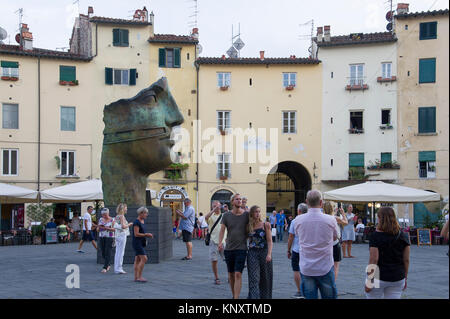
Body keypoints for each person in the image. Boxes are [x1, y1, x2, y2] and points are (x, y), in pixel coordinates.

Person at [294, 190, 338, 299]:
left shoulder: (298, 220)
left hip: (306, 266)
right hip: (325, 266)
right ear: (321, 202)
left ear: (307, 202)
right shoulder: (331, 219)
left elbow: (297, 234)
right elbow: (335, 237)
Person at [365, 207, 410, 299]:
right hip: (397, 276)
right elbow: (406, 260)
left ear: (380, 218)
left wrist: (370, 281)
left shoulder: (375, 236)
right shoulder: (404, 236)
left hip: (378, 276)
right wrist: (405, 277)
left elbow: (374, 259)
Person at [218, 193, 249, 299]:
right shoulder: (226, 215)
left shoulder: (246, 215)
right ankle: (234, 295)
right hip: (229, 249)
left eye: (240, 199)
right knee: (231, 275)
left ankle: (236, 297)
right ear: (232, 202)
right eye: (237, 199)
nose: (239, 201)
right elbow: (222, 230)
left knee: (237, 274)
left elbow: (253, 225)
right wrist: (220, 242)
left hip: (242, 248)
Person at [247, 205, 273, 299]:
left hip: (264, 252)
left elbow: (270, 241)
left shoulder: (265, 224)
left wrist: (269, 254)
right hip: (252, 253)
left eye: (259, 211)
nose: (258, 214)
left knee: (265, 277)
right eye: (255, 212)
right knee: (253, 277)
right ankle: (254, 297)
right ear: (252, 213)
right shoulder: (249, 225)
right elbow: (248, 239)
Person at [287, 203, 308, 299]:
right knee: (307, 270)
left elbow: (291, 236)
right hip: (308, 249)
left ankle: (299, 290)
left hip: (297, 249)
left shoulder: (295, 221)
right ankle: (308, 289)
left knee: (296, 270)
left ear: (299, 211)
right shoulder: (310, 220)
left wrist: (288, 249)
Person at [323, 202, 348, 280]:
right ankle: (332, 282)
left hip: (325, 244)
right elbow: (346, 222)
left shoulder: (322, 218)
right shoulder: (335, 218)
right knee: (336, 266)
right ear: (332, 209)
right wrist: (343, 213)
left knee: (325, 265)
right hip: (334, 243)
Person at [205, 200, 226, 285]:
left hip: (224, 241)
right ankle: (216, 278)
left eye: (217, 206)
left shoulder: (224, 216)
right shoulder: (211, 216)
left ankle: (230, 276)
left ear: (220, 206)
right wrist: (213, 210)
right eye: (214, 206)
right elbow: (206, 217)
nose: (216, 207)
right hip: (213, 241)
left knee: (228, 260)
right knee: (214, 260)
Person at [132, 207, 153, 283]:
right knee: (144, 259)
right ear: (141, 213)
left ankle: (136, 277)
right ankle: (139, 277)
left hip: (141, 242)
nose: (146, 215)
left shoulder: (142, 221)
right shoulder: (136, 222)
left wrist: (145, 235)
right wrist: (146, 234)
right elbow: (136, 234)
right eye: (145, 213)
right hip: (137, 243)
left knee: (137, 260)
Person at [114, 203, 133, 274]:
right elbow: (123, 226)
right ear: (123, 209)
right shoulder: (122, 216)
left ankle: (117, 268)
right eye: (126, 208)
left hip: (117, 235)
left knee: (117, 252)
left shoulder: (117, 216)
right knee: (121, 252)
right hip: (122, 235)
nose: (127, 209)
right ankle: (119, 268)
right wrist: (129, 224)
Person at [98, 208, 115, 273]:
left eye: (105, 214)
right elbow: (98, 229)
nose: (104, 216)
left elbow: (114, 229)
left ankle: (105, 267)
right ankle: (108, 264)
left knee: (108, 251)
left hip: (110, 236)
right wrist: (106, 228)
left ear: (108, 213)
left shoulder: (112, 219)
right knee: (103, 252)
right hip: (102, 236)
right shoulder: (101, 219)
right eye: (103, 214)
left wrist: (104, 228)